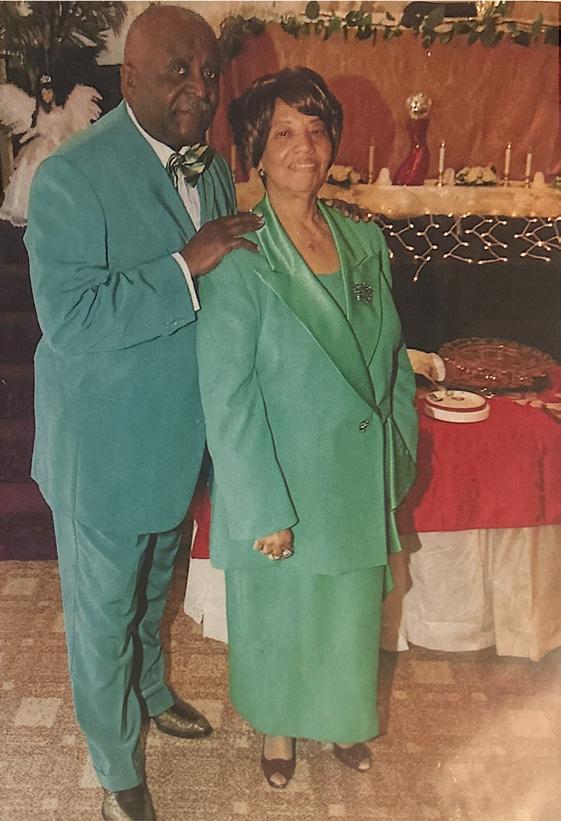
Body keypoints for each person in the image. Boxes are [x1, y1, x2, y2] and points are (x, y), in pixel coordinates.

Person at [24, 6, 262, 820]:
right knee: (102, 616)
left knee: (156, 586)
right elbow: (71, 317)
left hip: (181, 435)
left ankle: (153, 688)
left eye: (209, 73)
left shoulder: (213, 168)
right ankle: (117, 764)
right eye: (177, 70)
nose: (199, 87)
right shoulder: (70, 176)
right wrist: (184, 265)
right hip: (104, 447)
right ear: (128, 77)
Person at [196, 68, 418, 789]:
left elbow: (391, 359)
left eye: (316, 130)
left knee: (348, 610)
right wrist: (260, 505)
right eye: (284, 132)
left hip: (353, 471)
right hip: (281, 476)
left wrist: (397, 452)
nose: (303, 147)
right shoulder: (240, 255)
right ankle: (279, 727)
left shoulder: (362, 241)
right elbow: (227, 395)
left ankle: (342, 717)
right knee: (280, 613)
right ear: (255, 151)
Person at [0, 74, 102, 226]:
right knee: (33, 173)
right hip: (41, 149)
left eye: (49, 92)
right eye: (43, 92)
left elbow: (74, 127)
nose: (46, 95)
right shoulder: (37, 110)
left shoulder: (67, 108)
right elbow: (36, 127)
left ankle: (66, 210)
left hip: (63, 147)